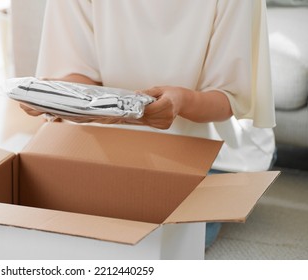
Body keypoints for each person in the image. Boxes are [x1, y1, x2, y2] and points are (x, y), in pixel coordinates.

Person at [21, 0, 276, 249]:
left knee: (161, 240)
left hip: (213, 151)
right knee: (66, 227)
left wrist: (182, 102)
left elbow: (228, 99)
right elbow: (81, 72)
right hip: (110, 145)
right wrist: (62, 98)